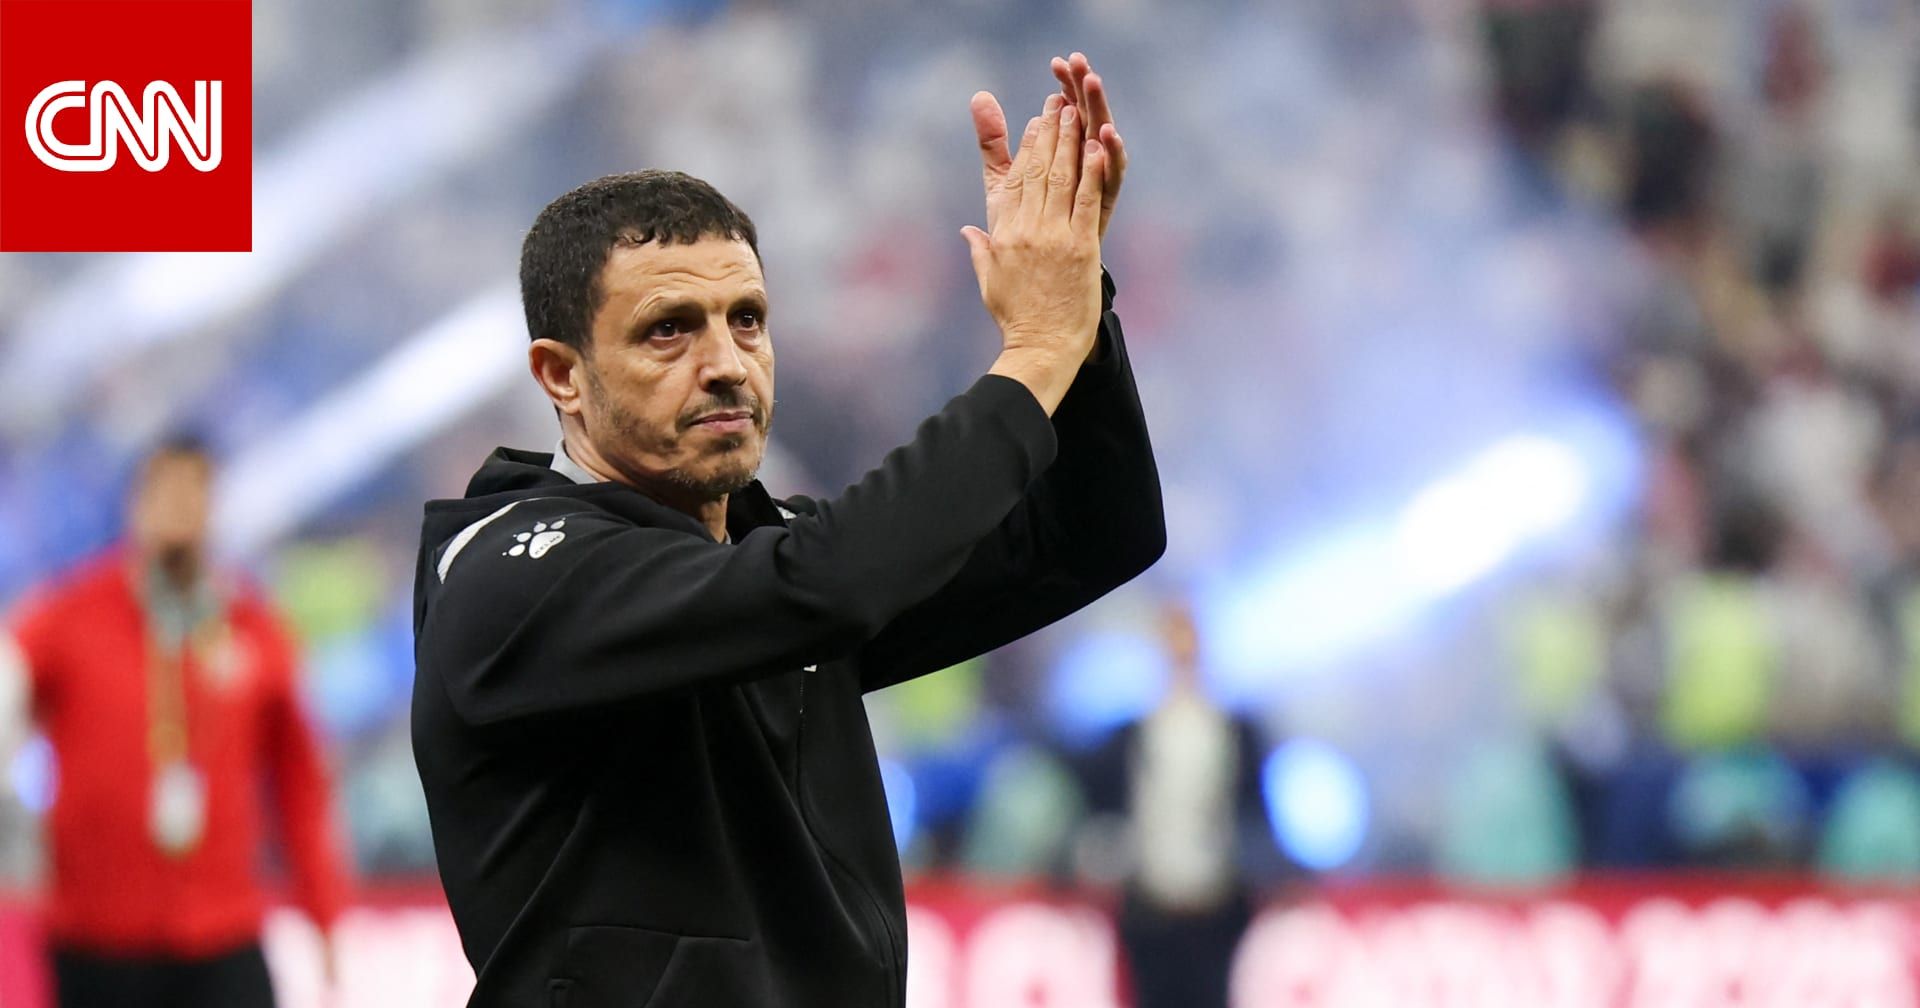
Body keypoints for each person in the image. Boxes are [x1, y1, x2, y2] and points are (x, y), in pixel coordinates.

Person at [410, 53, 1161, 1007]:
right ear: (562, 375)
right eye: (669, 329)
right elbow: (825, 584)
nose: (727, 363)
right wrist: (1035, 351)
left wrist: (1078, 313)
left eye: (748, 319)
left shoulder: (760, 566)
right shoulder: (512, 572)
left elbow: (1097, 534)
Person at [0, 435, 350, 1008]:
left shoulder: (252, 626)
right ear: (135, 504)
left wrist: (323, 910)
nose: (179, 510)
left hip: (222, 930)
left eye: (194, 493)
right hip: (98, 937)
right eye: (164, 493)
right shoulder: (71, 615)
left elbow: (299, 783)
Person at [1083, 601, 1279, 1008]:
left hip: (1216, 909)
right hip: (1152, 911)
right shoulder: (1135, 733)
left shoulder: (1232, 731)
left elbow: (1254, 816)